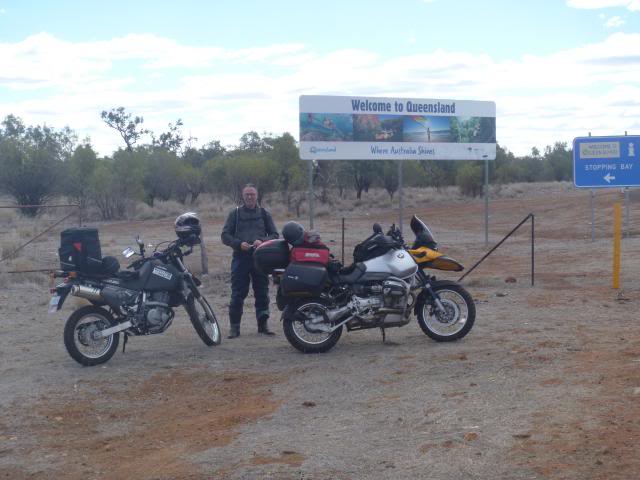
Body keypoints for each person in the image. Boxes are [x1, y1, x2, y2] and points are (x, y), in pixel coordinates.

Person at [221, 184, 279, 338]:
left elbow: (274, 234)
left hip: (260, 259)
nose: (249, 197)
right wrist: (238, 244)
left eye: (252, 194)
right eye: (247, 194)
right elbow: (225, 236)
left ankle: (263, 325)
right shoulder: (235, 214)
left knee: (262, 293)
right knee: (238, 293)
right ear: (243, 196)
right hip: (240, 258)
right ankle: (234, 328)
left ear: (257, 196)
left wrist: (262, 240)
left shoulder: (264, 214)